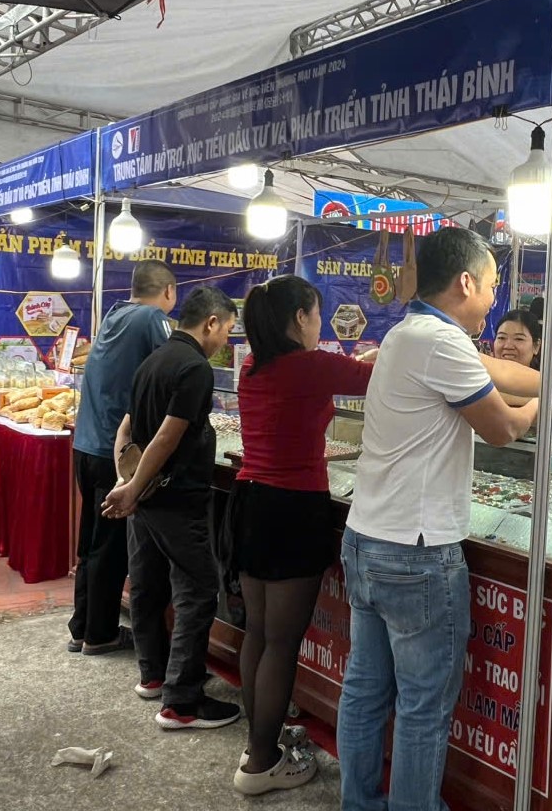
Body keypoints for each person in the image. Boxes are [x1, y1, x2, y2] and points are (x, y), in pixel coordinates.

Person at [336, 227, 545, 811]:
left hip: (367, 537)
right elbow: (503, 427)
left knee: (365, 690)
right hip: (417, 553)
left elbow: (494, 370)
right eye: (493, 286)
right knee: (423, 707)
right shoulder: (441, 341)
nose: (494, 299)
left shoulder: (408, 332)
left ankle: (360, 803)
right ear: (466, 282)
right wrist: (543, 403)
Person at [229, 276, 374, 795]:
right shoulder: (309, 366)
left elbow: (350, 369)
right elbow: (374, 376)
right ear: (299, 318)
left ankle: (259, 741)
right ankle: (262, 763)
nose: (319, 323)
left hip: (251, 503)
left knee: (259, 634)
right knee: (282, 642)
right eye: (316, 314)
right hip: (292, 509)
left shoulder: (253, 365)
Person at [102, 287, 240, 730]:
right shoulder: (194, 367)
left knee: (147, 583)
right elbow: (166, 436)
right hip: (175, 499)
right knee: (198, 589)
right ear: (211, 322)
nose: (226, 340)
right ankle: (182, 703)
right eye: (228, 330)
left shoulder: (153, 360)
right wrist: (132, 487)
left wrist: (126, 481)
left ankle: (153, 674)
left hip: (146, 499)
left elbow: (126, 429)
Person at [68, 261, 176, 656]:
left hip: (86, 444)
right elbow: (176, 368)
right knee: (110, 548)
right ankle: (100, 634)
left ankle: (82, 627)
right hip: (114, 451)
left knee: (91, 544)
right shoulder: (152, 318)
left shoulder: (114, 314)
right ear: (168, 291)